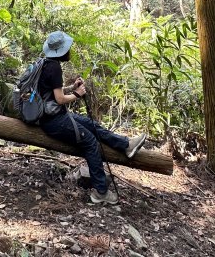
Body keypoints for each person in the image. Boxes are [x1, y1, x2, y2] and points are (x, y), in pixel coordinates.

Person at [39, 30, 146, 205]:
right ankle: (100, 192)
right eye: (68, 48)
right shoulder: (54, 67)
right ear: (62, 51)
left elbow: (51, 92)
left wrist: (71, 87)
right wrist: (77, 93)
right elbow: (59, 99)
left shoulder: (45, 63)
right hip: (53, 121)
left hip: (51, 117)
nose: (70, 51)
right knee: (90, 142)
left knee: (90, 124)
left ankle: (126, 145)